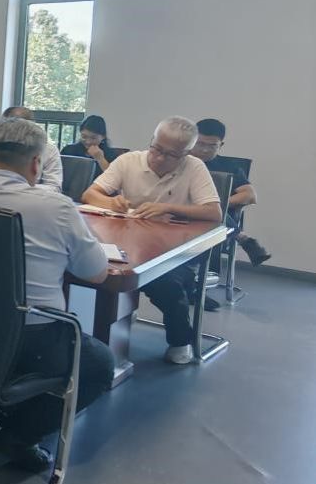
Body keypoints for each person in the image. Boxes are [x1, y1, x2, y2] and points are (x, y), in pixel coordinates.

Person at [0, 117, 114, 471]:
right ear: (37, 164)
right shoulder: (56, 207)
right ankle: (19, 434)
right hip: (32, 339)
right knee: (100, 365)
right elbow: (97, 273)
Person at [82, 116, 222, 365]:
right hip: (127, 241)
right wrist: (111, 202)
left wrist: (168, 208)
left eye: (171, 155)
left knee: (168, 284)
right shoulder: (129, 161)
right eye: (156, 148)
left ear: (186, 153)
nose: (159, 158)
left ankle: (180, 339)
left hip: (173, 249)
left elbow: (213, 213)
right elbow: (90, 194)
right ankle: (104, 331)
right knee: (96, 270)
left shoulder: (194, 167)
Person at [191, 118, 270, 266]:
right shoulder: (178, 162)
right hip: (180, 213)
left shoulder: (228, 167)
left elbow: (250, 195)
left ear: (221, 145)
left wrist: (213, 204)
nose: (205, 150)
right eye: (200, 143)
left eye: (212, 145)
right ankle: (243, 238)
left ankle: (207, 273)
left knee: (212, 213)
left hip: (212, 222)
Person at [0, 106, 63, 190]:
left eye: (21, 129)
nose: (16, 134)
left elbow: (54, 186)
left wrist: (18, 188)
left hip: (31, 198)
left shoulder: (49, 150)